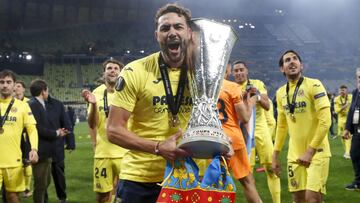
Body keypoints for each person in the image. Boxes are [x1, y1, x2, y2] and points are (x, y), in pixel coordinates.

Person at [106, 3, 193, 203]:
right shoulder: (135, 71)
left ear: (189, 33)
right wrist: (157, 147)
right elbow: (113, 130)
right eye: (165, 28)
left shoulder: (203, 74)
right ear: (157, 36)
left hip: (188, 175)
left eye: (178, 27)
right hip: (140, 178)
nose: (172, 32)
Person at [272, 50, 331, 203]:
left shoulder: (315, 84)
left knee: (312, 199)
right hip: (295, 155)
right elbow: (281, 126)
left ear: (301, 65)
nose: (292, 62)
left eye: (295, 59)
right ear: (282, 68)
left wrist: (310, 152)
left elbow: (326, 121)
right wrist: (275, 156)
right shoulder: (280, 93)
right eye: (287, 60)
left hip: (317, 152)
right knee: (298, 199)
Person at [232, 60, 281, 203]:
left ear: (247, 71)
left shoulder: (257, 83)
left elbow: (266, 106)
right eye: (236, 70)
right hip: (243, 133)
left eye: (241, 69)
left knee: (271, 168)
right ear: (233, 73)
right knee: (248, 174)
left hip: (260, 129)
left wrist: (257, 95)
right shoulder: (232, 88)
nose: (239, 72)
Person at [82, 58, 127, 203]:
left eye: (115, 68)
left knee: (127, 195)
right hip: (103, 154)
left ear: (121, 73)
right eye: (109, 68)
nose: (112, 70)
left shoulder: (128, 91)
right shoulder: (97, 92)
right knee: (103, 196)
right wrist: (94, 105)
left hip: (125, 153)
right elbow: (92, 123)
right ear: (104, 73)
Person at [217, 63, 262, 202]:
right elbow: (245, 117)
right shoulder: (232, 87)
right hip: (233, 139)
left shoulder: (206, 87)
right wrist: (251, 101)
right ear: (228, 70)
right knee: (247, 182)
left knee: (216, 183)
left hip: (214, 138)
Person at [0, 69, 39, 203]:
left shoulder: (23, 106)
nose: (5, 85)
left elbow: (32, 129)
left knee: (12, 196)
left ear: (14, 84)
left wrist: (34, 149)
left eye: (8, 82)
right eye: (2, 82)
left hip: (13, 160)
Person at [28, 79, 69, 203]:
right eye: (47, 90)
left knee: (45, 182)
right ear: (43, 91)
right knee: (41, 185)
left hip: (47, 151)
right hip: (40, 150)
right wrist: (56, 133)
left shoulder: (38, 104)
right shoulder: (34, 104)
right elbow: (37, 128)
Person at [47, 94, 75, 203]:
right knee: (41, 178)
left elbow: (67, 124)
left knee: (59, 174)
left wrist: (71, 143)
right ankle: (43, 199)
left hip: (56, 146)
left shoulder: (57, 104)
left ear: (45, 91)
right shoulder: (31, 104)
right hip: (40, 147)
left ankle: (62, 197)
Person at [13, 80, 33, 198]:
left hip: (26, 139)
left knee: (26, 162)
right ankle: (13, 188)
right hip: (14, 138)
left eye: (19, 86)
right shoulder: (11, 102)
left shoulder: (29, 103)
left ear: (23, 89)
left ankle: (26, 188)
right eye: (15, 86)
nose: (17, 88)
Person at [343, 68, 360, 190]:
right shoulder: (355, 92)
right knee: (354, 154)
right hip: (357, 131)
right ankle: (358, 181)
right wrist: (347, 128)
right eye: (359, 77)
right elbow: (351, 111)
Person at [334, 85, 352, 159]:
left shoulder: (351, 97)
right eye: (341, 90)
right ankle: (346, 152)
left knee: (348, 135)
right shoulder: (336, 99)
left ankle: (348, 152)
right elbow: (336, 110)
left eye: (343, 90)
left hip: (349, 119)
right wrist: (345, 106)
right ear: (339, 91)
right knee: (343, 137)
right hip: (341, 120)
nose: (342, 92)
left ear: (346, 91)